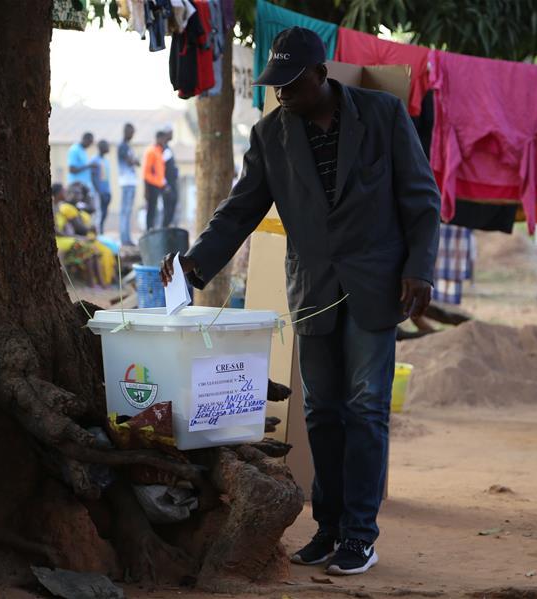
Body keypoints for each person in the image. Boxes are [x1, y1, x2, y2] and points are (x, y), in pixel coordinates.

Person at [159, 27, 440, 576]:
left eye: (291, 84)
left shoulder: (382, 115)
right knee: (321, 413)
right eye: (275, 86)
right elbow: (239, 211)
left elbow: (421, 198)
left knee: (366, 409)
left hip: (378, 284)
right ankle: (328, 527)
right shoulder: (270, 136)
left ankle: (360, 534)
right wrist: (195, 264)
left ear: (320, 76)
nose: (281, 94)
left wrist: (418, 269)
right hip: (313, 289)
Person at [52, 183, 104, 288]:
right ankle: (92, 284)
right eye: (63, 191)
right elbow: (56, 230)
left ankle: (99, 283)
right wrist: (73, 236)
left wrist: (72, 235)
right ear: (58, 193)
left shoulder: (59, 207)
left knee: (92, 249)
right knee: (87, 249)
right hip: (60, 239)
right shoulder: (53, 207)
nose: (65, 193)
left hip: (66, 238)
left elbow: (66, 226)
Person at [117, 123, 140, 246]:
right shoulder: (122, 146)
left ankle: (126, 237)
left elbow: (136, 162)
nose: (132, 135)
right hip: (126, 182)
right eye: (131, 132)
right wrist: (135, 160)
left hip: (130, 182)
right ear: (126, 131)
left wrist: (136, 161)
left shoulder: (127, 146)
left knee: (128, 211)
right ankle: (124, 239)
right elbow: (132, 161)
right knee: (125, 211)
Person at [143, 130, 168, 230]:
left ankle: (152, 228)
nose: (164, 142)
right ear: (158, 139)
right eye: (163, 139)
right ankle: (149, 229)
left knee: (155, 209)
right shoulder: (151, 151)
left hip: (158, 185)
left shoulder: (159, 151)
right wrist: (146, 190)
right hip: (151, 185)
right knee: (151, 209)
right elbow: (146, 172)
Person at [90, 140, 112, 233]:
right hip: (98, 192)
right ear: (102, 148)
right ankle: (97, 233)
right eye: (107, 146)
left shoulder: (106, 161)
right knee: (98, 213)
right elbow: (93, 177)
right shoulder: (94, 160)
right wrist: (99, 192)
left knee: (104, 213)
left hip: (106, 191)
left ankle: (101, 231)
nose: (108, 148)